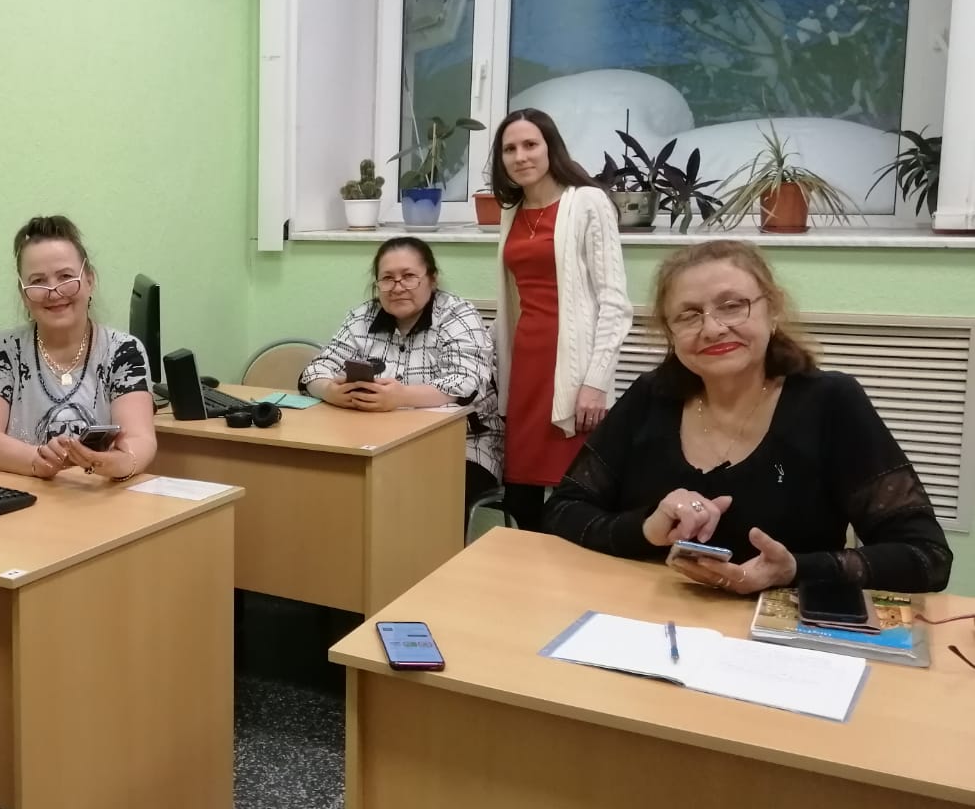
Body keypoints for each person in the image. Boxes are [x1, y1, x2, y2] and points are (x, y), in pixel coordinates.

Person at [546, 240, 952, 594]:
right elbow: (563, 510)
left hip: (775, 636)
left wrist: (793, 571)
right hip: (644, 618)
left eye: (732, 306)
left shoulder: (830, 402)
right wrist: (646, 530)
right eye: (689, 315)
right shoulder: (650, 397)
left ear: (771, 311)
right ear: (670, 334)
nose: (712, 328)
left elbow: (926, 556)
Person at [490, 107, 632, 532]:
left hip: (571, 368)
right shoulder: (512, 211)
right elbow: (512, 299)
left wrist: (596, 381)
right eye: (509, 149)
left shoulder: (587, 202)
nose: (520, 156)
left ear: (551, 147)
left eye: (530, 144)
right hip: (526, 365)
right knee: (521, 492)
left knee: (573, 493)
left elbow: (615, 302)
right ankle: (523, 571)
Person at [302, 236, 503, 525]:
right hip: (377, 443)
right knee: (330, 485)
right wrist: (330, 390)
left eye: (409, 276)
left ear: (432, 279)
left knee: (419, 497)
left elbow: (466, 382)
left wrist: (401, 397)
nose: (397, 287)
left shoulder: (457, 314)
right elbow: (315, 370)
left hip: (463, 446)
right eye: (387, 279)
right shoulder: (362, 317)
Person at [0, 214, 156, 480]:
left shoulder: (123, 351)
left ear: (89, 280)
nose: (53, 291)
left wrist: (117, 462)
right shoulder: (3, 351)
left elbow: (140, 438)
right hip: (26, 496)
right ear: (23, 293)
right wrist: (38, 461)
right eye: (38, 281)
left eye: (65, 276)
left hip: (98, 496)